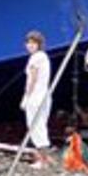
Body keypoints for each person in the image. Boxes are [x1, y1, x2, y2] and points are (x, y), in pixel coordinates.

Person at [20, 30, 52, 168]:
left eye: (33, 43)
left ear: (39, 44)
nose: (30, 45)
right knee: (41, 125)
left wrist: (26, 96)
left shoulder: (35, 58)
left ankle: (42, 160)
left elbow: (32, 79)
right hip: (45, 95)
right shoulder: (44, 57)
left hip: (36, 96)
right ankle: (45, 157)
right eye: (28, 42)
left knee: (35, 126)